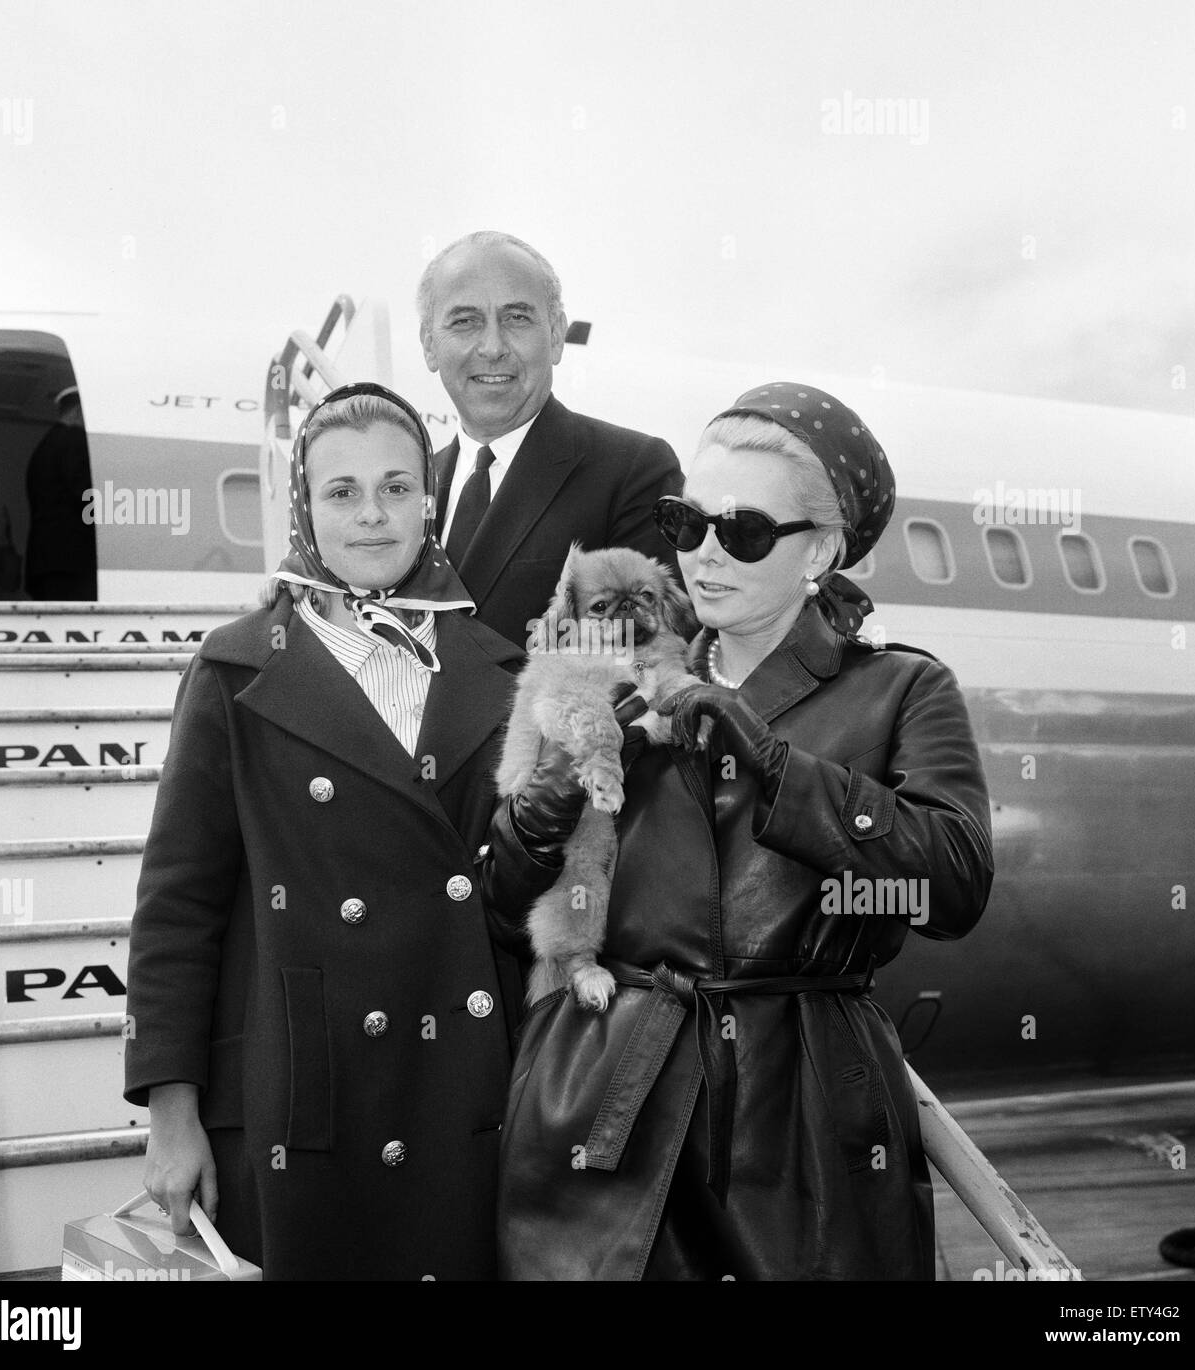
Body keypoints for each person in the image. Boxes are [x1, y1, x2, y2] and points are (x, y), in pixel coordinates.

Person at [483, 382, 995, 1280]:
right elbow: (502, 899)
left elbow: (948, 887)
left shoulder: (900, 690)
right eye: (688, 524)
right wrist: (557, 785)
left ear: (821, 551)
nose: (705, 554)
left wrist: (782, 770)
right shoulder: (608, 671)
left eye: (746, 531)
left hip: (803, 1124)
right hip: (604, 1109)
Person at [123, 381, 559, 1280]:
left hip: (464, 1083)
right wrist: (172, 1113)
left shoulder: (504, 669)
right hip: (302, 1092)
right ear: (304, 507)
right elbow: (179, 903)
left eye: (397, 488)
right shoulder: (237, 668)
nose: (372, 515)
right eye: (342, 491)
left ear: (429, 501)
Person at [417, 230, 684, 648]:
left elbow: (656, 654)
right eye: (465, 321)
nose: (491, 347)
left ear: (557, 335)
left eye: (516, 317)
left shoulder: (633, 471)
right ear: (430, 345)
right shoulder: (407, 489)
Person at [25, 385, 97, 600]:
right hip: (70, 560)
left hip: (47, 559)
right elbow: (85, 494)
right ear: (78, 411)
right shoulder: (74, 441)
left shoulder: (47, 444)